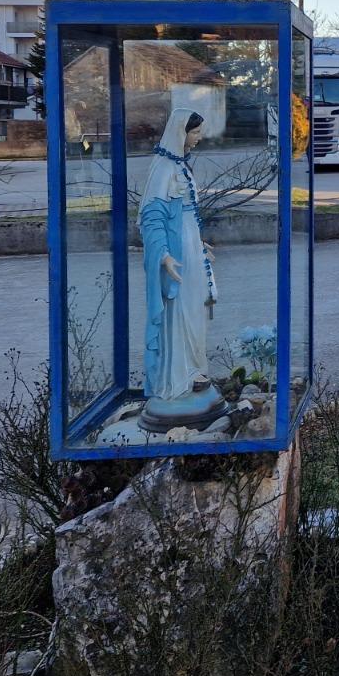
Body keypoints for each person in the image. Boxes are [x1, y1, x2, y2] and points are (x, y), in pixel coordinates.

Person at [138, 108, 227, 433]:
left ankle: (194, 369)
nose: (199, 137)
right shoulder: (163, 168)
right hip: (176, 258)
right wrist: (162, 254)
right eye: (196, 132)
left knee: (195, 310)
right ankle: (178, 376)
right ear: (181, 132)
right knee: (181, 314)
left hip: (190, 251)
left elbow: (184, 215)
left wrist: (198, 243)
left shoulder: (178, 166)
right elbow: (152, 216)